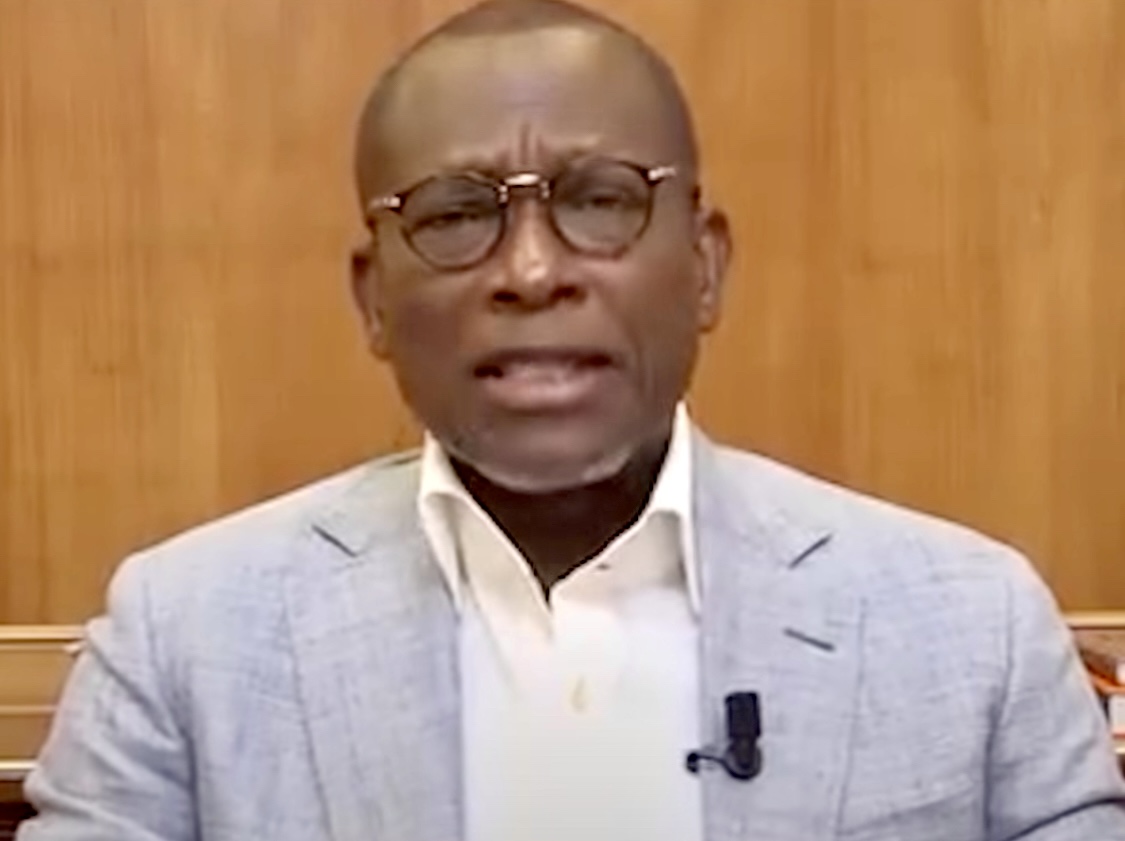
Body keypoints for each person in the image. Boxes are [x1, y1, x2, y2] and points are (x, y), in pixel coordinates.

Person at [17, 1, 1125, 839]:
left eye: (602, 199)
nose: (533, 271)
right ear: (373, 299)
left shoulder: (972, 632)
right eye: (456, 214)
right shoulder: (185, 645)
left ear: (703, 268)